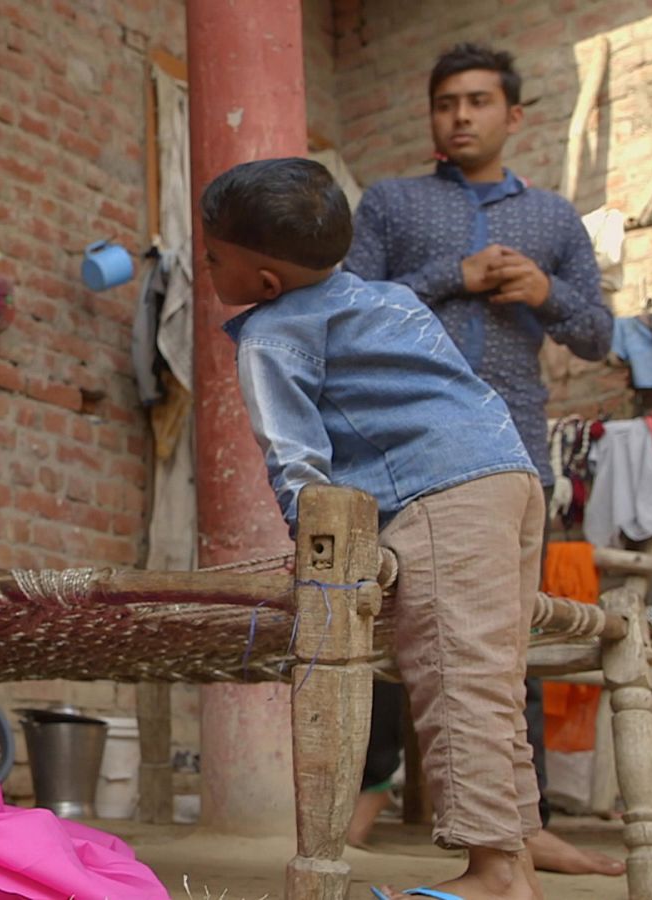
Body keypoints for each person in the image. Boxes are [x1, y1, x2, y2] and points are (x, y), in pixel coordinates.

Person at [205, 157, 544, 900]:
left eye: (212, 256)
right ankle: (514, 868)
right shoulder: (389, 298)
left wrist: (319, 548)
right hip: (510, 477)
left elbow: (295, 459)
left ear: (264, 283)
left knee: (456, 678)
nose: (206, 266)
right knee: (491, 677)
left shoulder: (271, 332)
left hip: (439, 494)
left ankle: (491, 873)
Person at [343, 42, 621, 877]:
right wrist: (452, 274)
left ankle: (520, 825)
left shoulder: (555, 220)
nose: (459, 117)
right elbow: (347, 308)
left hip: (511, 448)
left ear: (514, 115)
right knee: (391, 625)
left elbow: (602, 337)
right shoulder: (391, 205)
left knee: (510, 642)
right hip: (400, 450)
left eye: (476, 102)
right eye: (445, 103)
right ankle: (367, 791)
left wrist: (546, 293)